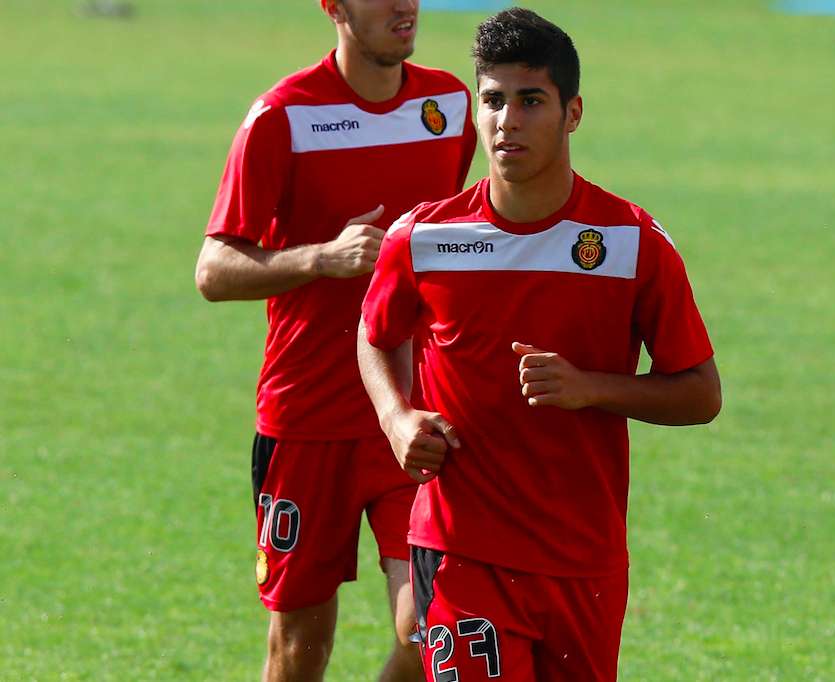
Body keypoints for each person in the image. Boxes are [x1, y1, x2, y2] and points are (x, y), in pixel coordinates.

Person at [357, 8, 722, 681]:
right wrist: (395, 417)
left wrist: (593, 387)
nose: (507, 121)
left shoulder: (630, 242)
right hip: (461, 549)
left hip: (581, 560)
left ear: (572, 112)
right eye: (492, 100)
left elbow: (700, 392)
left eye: (531, 101)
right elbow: (375, 334)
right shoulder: (425, 238)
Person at [195, 0, 476, 678]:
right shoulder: (282, 117)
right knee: (300, 646)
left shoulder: (451, 105)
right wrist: (320, 257)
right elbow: (213, 270)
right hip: (307, 418)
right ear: (334, 7)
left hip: (409, 417)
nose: (404, 6)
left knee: (434, 628)